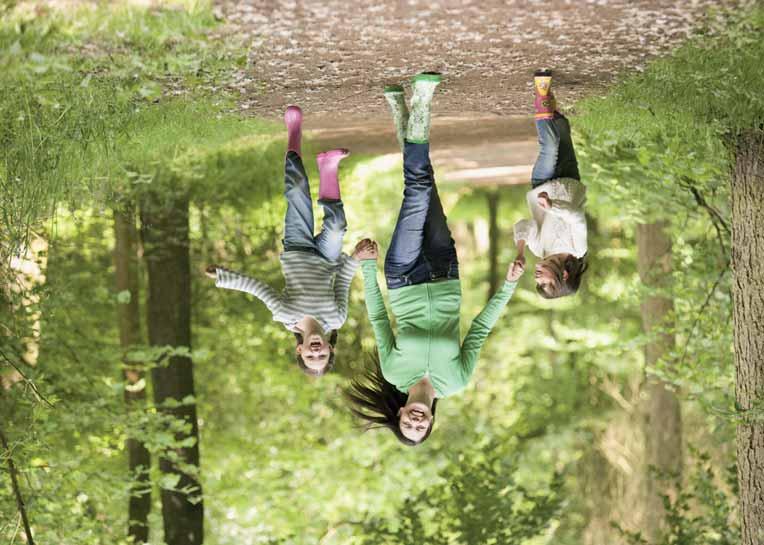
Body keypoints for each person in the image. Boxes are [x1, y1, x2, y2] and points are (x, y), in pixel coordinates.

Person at [345, 73, 525, 446]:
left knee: (418, 191)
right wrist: (508, 285)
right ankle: (399, 108)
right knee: (425, 184)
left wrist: (366, 267)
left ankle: (423, 100)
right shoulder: (456, 381)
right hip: (445, 272)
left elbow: (378, 318)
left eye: (407, 426)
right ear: (430, 421)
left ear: (398, 414)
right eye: (420, 428)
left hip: (403, 276)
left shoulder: (395, 373)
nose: (414, 422)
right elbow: (479, 330)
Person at [206, 105, 365, 376]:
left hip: (298, 248)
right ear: (330, 347)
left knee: (296, 190)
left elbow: (257, 288)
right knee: (337, 226)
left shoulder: (285, 314)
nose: (317, 352)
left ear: (299, 350)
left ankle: (294, 133)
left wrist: (223, 277)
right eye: (323, 355)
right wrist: (355, 258)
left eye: (311, 356)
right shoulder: (336, 318)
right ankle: (328, 166)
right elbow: (342, 281)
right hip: (327, 258)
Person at [513, 70, 588, 299]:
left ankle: (541, 94)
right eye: (544, 283)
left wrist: (520, 251)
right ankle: (548, 105)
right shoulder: (578, 248)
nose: (537, 278)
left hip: (542, 184)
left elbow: (524, 224)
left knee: (551, 144)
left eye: (537, 283)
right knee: (562, 129)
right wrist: (552, 207)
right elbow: (576, 217)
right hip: (569, 180)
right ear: (562, 277)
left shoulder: (539, 249)